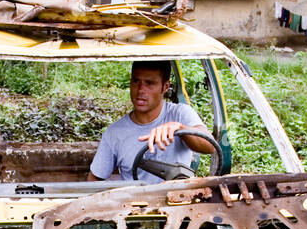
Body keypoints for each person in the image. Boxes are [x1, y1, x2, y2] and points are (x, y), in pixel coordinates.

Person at [88, 61, 216, 183]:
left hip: (178, 201)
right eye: (136, 81)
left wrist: (180, 128)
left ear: (165, 87)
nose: (140, 90)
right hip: (135, 203)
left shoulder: (180, 114)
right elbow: (95, 179)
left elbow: (210, 146)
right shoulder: (115, 132)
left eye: (149, 83)